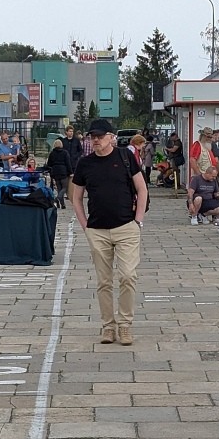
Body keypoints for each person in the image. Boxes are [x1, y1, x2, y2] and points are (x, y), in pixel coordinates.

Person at [70, 118, 148, 346]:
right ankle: (108, 326)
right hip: (97, 230)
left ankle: (125, 325)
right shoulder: (85, 164)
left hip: (126, 227)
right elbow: (76, 198)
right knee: (104, 281)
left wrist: (138, 221)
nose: (95, 140)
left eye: (99, 136)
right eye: (92, 136)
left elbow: (142, 189)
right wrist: (85, 226)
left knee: (127, 276)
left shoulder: (125, 157)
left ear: (111, 137)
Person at [46, 138, 72, 209]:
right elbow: (68, 163)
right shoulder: (65, 152)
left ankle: (62, 205)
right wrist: (70, 172)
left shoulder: (52, 153)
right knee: (64, 188)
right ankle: (58, 198)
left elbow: (49, 164)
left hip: (55, 172)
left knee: (59, 188)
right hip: (63, 171)